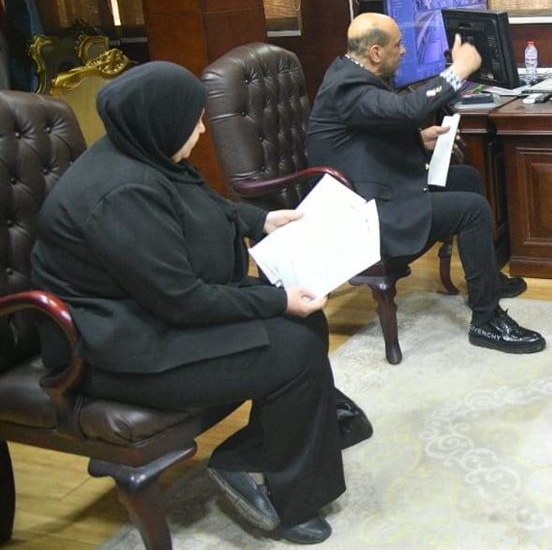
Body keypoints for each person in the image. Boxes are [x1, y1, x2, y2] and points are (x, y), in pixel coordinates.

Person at [31, 62, 352, 544]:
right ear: (159, 121)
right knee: (294, 349)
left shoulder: (145, 152)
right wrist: (277, 300)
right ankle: (286, 497)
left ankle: (255, 458)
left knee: (305, 329)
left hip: (148, 315)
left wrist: (261, 222)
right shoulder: (120, 192)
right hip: (114, 348)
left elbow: (202, 206)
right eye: (194, 120)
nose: (202, 129)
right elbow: (182, 301)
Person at [307, 12, 546, 354]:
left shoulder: (354, 74)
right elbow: (405, 110)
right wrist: (457, 71)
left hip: (377, 188)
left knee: (466, 177)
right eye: (398, 45)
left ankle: (486, 282)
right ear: (375, 52)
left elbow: (368, 132)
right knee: (473, 210)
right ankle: (486, 320)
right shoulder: (347, 87)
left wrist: (418, 140)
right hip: (366, 213)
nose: (404, 51)